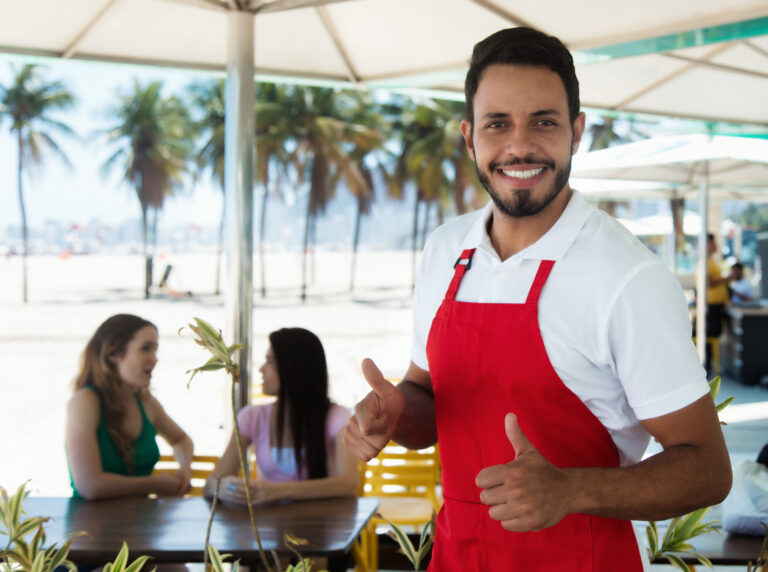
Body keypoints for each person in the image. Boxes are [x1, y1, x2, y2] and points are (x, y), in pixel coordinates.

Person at [344, 27, 731, 570]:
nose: (519, 146)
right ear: (468, 136)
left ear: (576, 133)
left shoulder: (627, 277)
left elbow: (708, 469)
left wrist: (568, 491)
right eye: (497, 124)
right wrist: (395, 414)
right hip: (456, 557)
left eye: (543, 122)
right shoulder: (443, 251)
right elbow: (428, 400)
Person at [204, 328, 358, 505]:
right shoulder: (252, 417)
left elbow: (348, 485)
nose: (261, 369)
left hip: (324, 527)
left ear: (294, 367)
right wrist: (224, 487)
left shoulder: (336, 417)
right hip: (267, 528)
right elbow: (210, 485)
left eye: (270, 361)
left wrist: (278, 490)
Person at [65, 314, 194, 500]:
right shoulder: (85, 401)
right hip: (90, 525)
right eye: (145, 349)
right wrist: (154, 484)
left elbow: (181, 439)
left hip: (141, 523)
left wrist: (184, 468)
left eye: (155, 349)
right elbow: (90, 486)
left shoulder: (146, 402)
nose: (155, 359)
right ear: (112, 355)